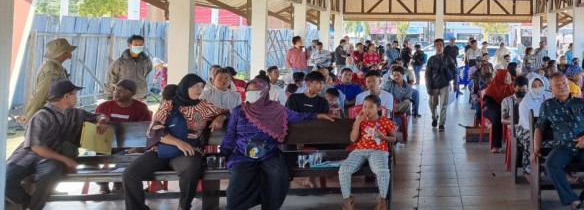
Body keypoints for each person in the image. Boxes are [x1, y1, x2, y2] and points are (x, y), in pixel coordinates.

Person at [221, 78, 334, 210]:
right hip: (243, 154)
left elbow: (298, 116)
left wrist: (318, 115)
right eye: (248, 90)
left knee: (277, 174)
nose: (251, 93)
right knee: (238, 177)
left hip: (269, 153)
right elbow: (230, 134)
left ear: (264, 92)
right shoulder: (239, 111)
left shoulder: (276, 109)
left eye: (255, 90)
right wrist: (224, 153)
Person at [122, 74, 228, 210]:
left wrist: (221, 117)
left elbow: (229, 111)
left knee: (191, 169)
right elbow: (155, 129)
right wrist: (179, 143)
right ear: (184, 87)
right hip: (161, 151)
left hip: (187, 151)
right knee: (130, 174)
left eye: (201, 86)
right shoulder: (168, 105)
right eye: (195, 86)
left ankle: (183, 207)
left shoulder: (205, 106)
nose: (199, 89)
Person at [5, 80, 110, 210]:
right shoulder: (41, 116)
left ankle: (33, 207)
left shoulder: (76, 114)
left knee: (51, 171)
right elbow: (37, 147)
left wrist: (103, 120)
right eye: (74, 94)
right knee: (5, 179)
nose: (76, 97)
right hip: (27, 156)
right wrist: (65, 159)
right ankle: (28, 204)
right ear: (66, 96)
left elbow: (98, 116)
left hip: (50, 158)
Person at [532, 73, 584, 210]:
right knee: (551, 164)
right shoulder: (547, 105)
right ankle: (573, 201)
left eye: (564, 83)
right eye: (557, 85)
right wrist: (536, 149)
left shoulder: (583, 103)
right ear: (551, 89)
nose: (562, 86)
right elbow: (539, 128)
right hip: (563, 146)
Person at [340, 95, 396, 210]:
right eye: (365, 106)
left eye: (370, 107)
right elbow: (353, 139)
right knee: (344, 169)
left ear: (378, 108)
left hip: (379, 151)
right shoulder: (361, 121)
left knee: (382, 171)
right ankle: (347, 199)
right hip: (360, 151)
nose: (366, 110)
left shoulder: (385, 121)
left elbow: (394, 138)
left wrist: (383, 137)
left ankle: (382, 201)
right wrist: (357, 121)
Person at [21, 38, 76, 124]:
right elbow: (39, 95)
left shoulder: (57, 68)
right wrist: (29, 118)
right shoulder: (51, 70)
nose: (70, 53)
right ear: (62, 53)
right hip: (49, 117)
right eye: (67, 51)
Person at [516, 74, 553, 173]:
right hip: (526, 129)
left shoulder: (549, 96)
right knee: (531, 141)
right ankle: (528, 170)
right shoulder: (525, 102)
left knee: (558, 140)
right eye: (534, 86)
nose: (538, 88)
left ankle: (549, 167)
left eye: (540, 85)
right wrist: (538, 133)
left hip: (546, 128)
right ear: (530, 87)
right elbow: (526, 123)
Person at [104, 35, 154, 101]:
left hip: (141, 98)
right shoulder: (119, 62)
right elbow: (111, 78)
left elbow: (147, 72)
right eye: (136, 45)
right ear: (129, 45)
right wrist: (110, 96)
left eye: (140, 45)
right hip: (123, 98)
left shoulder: (146, 61)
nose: (138, 46)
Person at [425, 38, 456, 131]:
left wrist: (456, 83)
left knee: (443, 105)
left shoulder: (448, 59)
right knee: (432, 104)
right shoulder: (431, 59)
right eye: (437, 45)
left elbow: (455, 71)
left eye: (440, 45)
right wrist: (428, 87)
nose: (439, 47)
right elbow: (427, 74)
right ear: (435, 47)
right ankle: (434, 117)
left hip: (445, 85)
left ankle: (441, 124)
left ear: (443, 46)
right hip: (434, 85)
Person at [483, 69, 514, 153]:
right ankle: (496, 145)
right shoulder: (492, 88)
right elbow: (488, 104)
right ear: (501, 77)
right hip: (490, 108)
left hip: (503, 109)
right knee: (497, 116)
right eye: (507, 76)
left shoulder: (510, 86)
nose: (509, 78)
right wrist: (502, 109)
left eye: (509, 76)